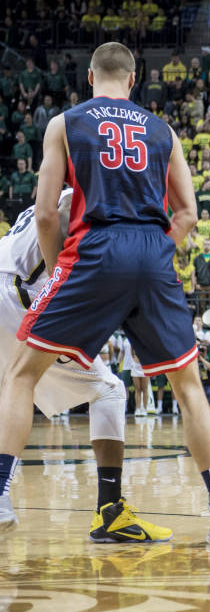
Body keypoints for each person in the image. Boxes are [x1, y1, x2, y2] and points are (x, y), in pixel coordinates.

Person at [0, 43, 210, 546]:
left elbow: (46, 214)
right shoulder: (164, 130)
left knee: (22, 375)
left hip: (94, 252)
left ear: (90, 76)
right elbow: (189, 214)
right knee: (189, 388)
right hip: (151, 252)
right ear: (134, 80)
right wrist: (155, 249)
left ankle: (1, 496)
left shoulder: (65, 123)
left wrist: (67, 264)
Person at [0, 189, 171, 541]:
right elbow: (62, 214)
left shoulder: (53, 196)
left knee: (13, 390)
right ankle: (110, 513)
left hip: (10, 288)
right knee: (108, 390)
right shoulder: (80, 193)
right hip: (18, 298)